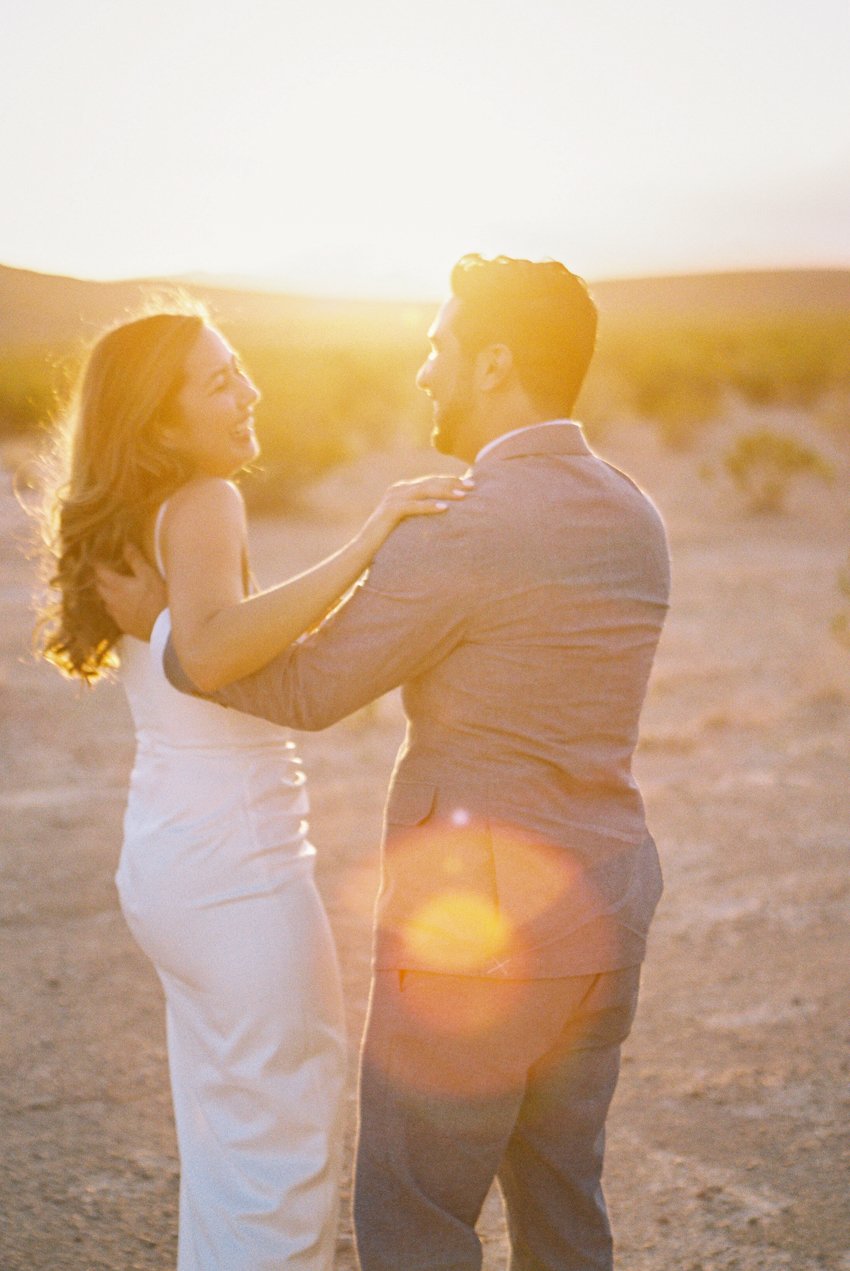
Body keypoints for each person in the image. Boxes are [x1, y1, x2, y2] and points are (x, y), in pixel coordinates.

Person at [103, 255, 671, 1271]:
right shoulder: (635, 511)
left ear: (493, 362)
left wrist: (175, 641)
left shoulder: (462, 521)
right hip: (610, 903)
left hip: (476, 930)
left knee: (415, 1216)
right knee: (563, 1201)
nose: (422, 370)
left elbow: (311, 690)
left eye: (437, 347)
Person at [35, 305, 472, 1271]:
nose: (251, 393)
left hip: (170, 862)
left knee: (231, 1140)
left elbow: (198, 645)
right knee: (285, 1152)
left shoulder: (140, 515)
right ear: (159, 419)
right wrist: (371, 535)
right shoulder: (203, 500)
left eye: (241, 370)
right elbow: (217, 649)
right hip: (238, 872)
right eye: (220, 380)